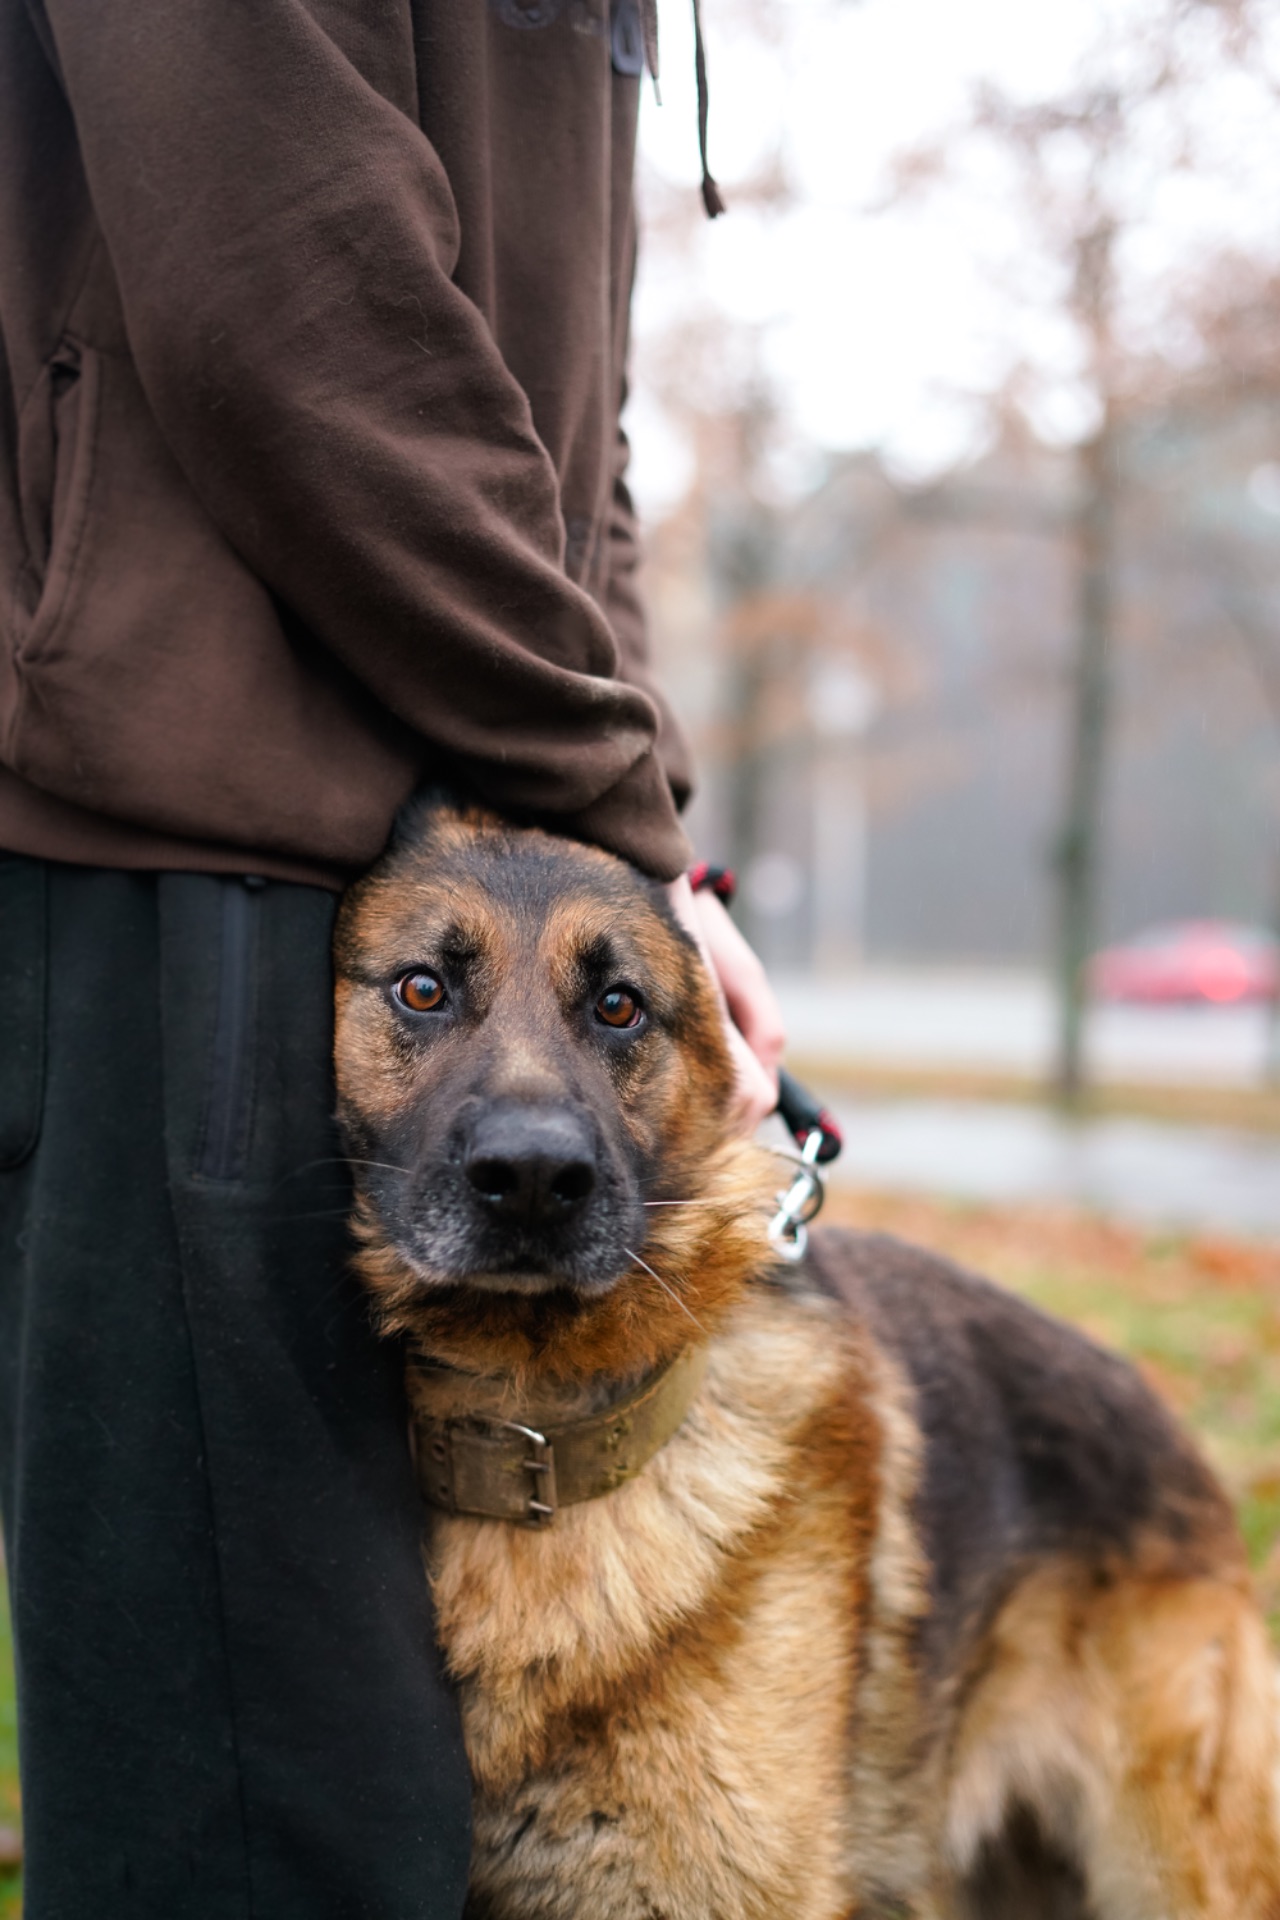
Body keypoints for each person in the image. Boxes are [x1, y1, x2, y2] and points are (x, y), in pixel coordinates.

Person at [0, 1, 785, 1914]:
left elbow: (564, 427)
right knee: (271, 1826)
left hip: (468, 822)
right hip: (200, 845)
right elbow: (283, 277)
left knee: (403, 1810)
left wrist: (651, 852)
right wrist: (604, 785)